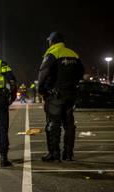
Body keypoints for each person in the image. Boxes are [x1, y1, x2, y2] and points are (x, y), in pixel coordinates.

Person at [38, 32, 84, 162]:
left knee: (53, 124)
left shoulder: (52, 53)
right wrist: (72, 83)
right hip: (71, 94)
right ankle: (68, 154)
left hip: (55, 95)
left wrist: (41, 89)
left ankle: (54, 154)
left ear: (52, 41)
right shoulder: (73, 53)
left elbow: (43, 72)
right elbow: (81, 71)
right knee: (69, 125)